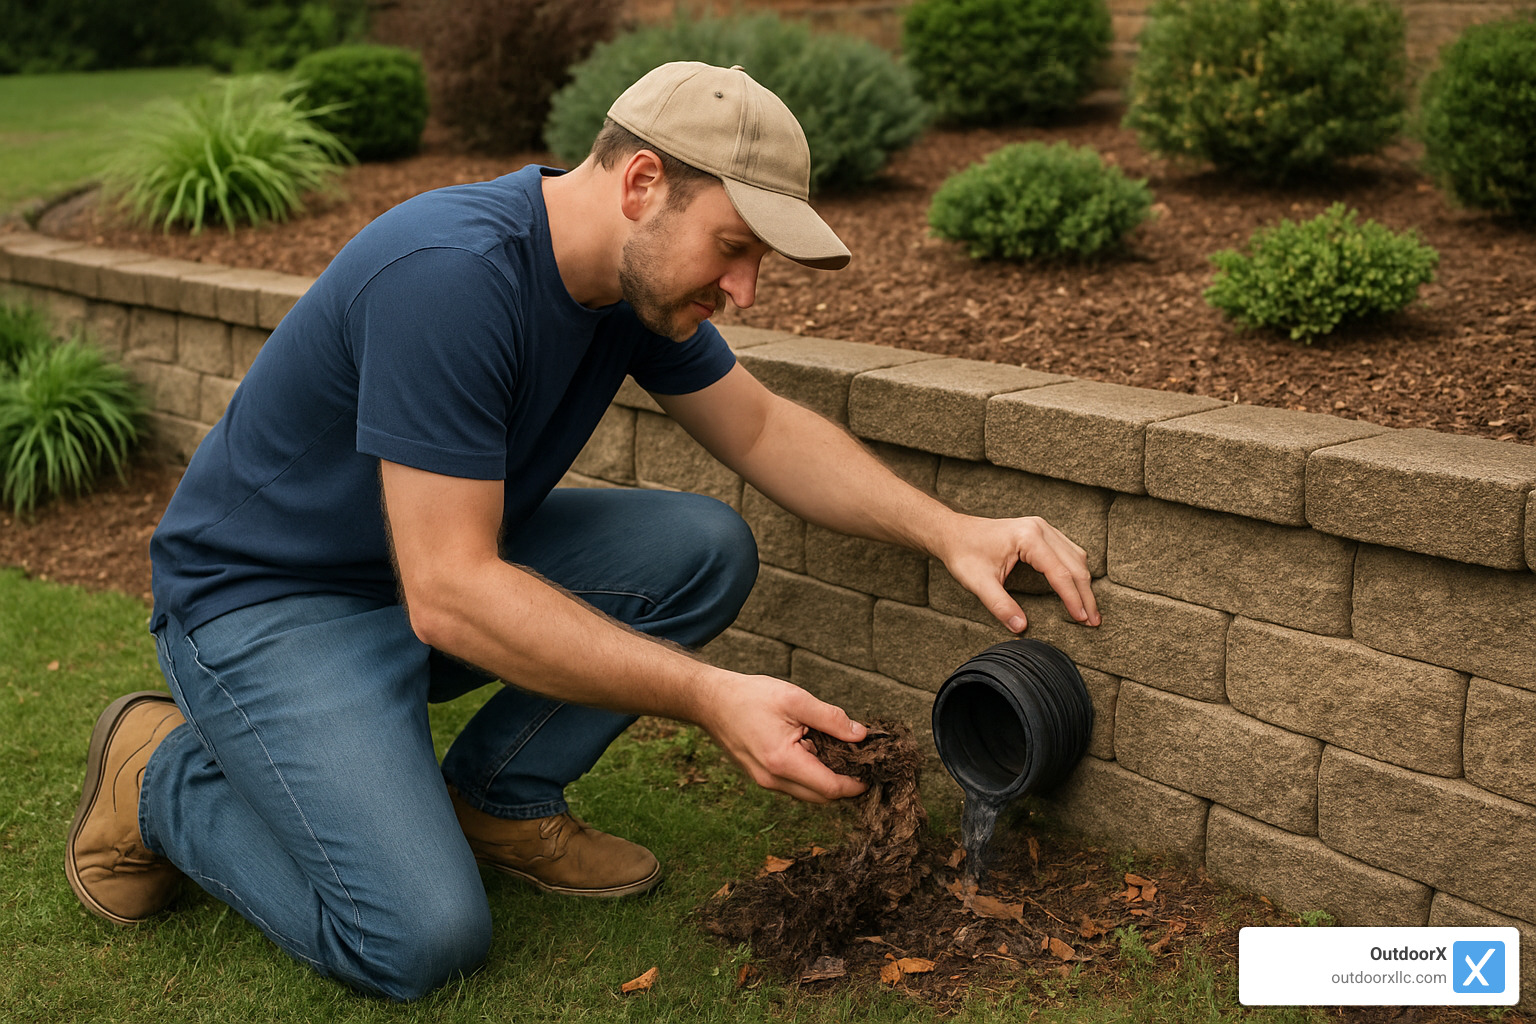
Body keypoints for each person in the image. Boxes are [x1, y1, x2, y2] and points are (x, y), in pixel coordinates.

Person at [65, 62, 1100, 1000]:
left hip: (413, 580)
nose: (742, 288)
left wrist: (952, 528)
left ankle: (499, 797)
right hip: (267, 606)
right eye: (734, 247)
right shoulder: (450, 275)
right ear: (642, 183)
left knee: (701, 546)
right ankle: (158, 772)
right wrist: (707, 695)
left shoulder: (623, 286)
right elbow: (454, 591)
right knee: (418, 936)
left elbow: (763, 426)